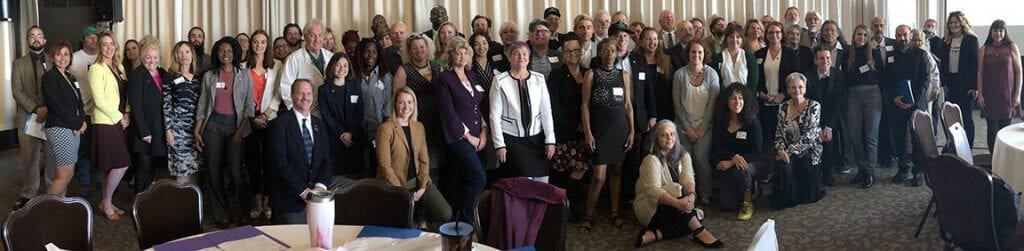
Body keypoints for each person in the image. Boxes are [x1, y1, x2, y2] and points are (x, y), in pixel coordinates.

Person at [634, 120, 723, 248]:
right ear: (656, 139)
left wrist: (692, 196)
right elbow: (654, 191)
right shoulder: (651, 159)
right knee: (692, 216)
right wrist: (678, 203)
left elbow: (688, 179)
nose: (669, 138)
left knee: (691, 214)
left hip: (674, 204)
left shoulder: (684, 155)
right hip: (651, 206)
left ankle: (656, 235)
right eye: (664, 135)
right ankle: (699, 231)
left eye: (671, 134)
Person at [196, 37, 256, 227]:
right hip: (212, 126)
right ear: (216, 53)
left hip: (236, 126)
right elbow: (203, 104)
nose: (225, 54)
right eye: (221, 51)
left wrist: (239, 131)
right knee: (214, 173)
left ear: (236, 53)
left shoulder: (244, 74)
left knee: (237, 174)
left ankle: (243, 213)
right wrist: (197, 131)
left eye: (229, 51)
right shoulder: (209, 76)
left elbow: (249, 106)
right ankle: (221, 213)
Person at [581, 39, 635, 233]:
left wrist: (632, 131)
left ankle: (615, 213)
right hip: (600, 131)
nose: (610, 54)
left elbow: (628, 105)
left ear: (618, 53)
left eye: (613, 50)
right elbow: (585, 105)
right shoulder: (591, 74)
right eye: (605, 50)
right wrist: (588, 133)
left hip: (620, 130)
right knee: (598, 177)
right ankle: (588, 216)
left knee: (616, 173)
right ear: (600, 52)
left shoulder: (624, 75)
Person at [376, 86, 452, 226]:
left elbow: (424, 160)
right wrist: (403, 193)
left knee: (445, 214)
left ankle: (425, 230)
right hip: (396, 185)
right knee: (407, 227)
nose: (406, 106)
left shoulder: (418, 126)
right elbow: (384, 165)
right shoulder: (386, 128)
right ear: (395, 105)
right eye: (401, 102)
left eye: (410, 102)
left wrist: (422, 186)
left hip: (418, 180)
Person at [267, 79, 334, 224]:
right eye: (301, 93)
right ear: (291, 95)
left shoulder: (320, 125)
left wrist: (319, 187)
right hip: (290, 201)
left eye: (308, 93)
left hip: (318, 200)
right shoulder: (278, 125)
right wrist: (304, 192)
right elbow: (280, 164)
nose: (305, 97)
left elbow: (326, 161)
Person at [436, 38, 487, 223]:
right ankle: (467, 220)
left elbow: (478, 106)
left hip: (478, 135)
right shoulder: (444, 79)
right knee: (479, 178)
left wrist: (483, 131)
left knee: (468, 179)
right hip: (458, 138)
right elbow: (448, 113)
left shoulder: (472, 75)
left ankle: (459, 216)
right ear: (450, 55)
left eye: (466, 52)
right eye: (458, 52)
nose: (462, 55)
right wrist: (468, 137)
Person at [488, 41, 556, 182]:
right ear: (509, 57)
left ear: (529, 57)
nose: (521, 56)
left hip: (536, 139)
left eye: (524, 53)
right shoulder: (500, 81)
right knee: (525, 183)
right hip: (513, 140)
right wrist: (499, 145)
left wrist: (550, 140)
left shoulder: (539, 79)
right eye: (516, 53)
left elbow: (546, 111)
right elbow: (494, 116)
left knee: (543, 180)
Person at [89, 31, 131, 221]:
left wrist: (127, 113)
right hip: (105, 122)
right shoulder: (96, 69)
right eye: (104, 44)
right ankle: (106, 202)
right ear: (99, 47)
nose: (108, 48)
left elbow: (125, 94)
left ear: (116, 46)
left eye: (111, 44)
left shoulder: (119, 66)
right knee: (121, 164)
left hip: (118, 120)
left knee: (111, 166)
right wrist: (118, 117)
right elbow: (99, 100)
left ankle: (107, 200)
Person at [673, 40, 721, 205]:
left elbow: (713, 105)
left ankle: (705, 193)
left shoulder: (712, 74)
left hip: (705, 127)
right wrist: (688, 128)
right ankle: (683, 194)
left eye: (700, 52)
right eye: (693, 52)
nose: (696, 55)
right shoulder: (679, 74)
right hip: (683, 126)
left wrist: (700, 129)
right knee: (683, 160)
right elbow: (677, 106)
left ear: (704, 54)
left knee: (700, 159)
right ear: (688, 54)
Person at [623, 27, 666, 210]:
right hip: (629, 116)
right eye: (647, 38)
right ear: (640, 41)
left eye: (655, 38)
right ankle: (630, 197)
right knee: (633, 160)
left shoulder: (663, 61)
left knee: (649, 155)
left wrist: (653, 115)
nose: (652, 42)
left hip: (649, 116)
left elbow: (649, 91)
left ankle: (652, 193)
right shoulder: (634, 59)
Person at [392, 34, 448, 173]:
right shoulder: (403, 70)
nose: (419, 50)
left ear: (427, 48)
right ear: (409, 51)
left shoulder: (437, 67)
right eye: (415, 48)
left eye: (422, 47)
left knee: (440, 162)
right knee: (422, 162)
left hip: (438, 121)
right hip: (416, 122)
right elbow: (397, 100)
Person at [11, 26, 51, 209]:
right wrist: (36, 108)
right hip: (28, 117)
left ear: (44, 40)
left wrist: (48, 109)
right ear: (27, 40)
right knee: (29, 157)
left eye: (39, 36)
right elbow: (16, 91)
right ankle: (28, 193)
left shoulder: (54, 60)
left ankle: (53, 191)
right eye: (32, 36)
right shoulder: (18, 63)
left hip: (52, 117)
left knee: (51, 155)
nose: (36, 39)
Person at [771, 73, 824, 209]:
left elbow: (810, 136)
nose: (797, 90)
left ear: (805, 88)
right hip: (788, 152)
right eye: (793, 87)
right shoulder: (782, 107)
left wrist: (788, 152)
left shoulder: (814, 106)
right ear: (788, 90)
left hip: (809, 152)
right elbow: (779, 133)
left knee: (809, 195)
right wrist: (781, 150)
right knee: (781, 166)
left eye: (800, 87)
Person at [245, 30, 282, 220]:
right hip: (249, 120)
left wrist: (266, 114)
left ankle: (268, 202)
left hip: (270, 119)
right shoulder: (243, 66)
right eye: (255, 42)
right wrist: (253, 117)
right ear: (251, 44)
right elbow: (241, 94)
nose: (259, 46)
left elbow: (279, 92)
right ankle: (257, 202)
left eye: (262, 42)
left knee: (269, 162)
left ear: (267, 45)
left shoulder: (277, 65)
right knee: (253, 163)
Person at [887, 25, 931, 187]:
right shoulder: (891, 55)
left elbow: (926, 80)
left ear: (910, 35)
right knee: (898, 137)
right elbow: (887, 80)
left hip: (916, 104)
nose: (902, 38)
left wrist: (914, 100)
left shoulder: (921, 54)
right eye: (898, 35)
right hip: (897, 103)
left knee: (917, 139)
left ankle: (918, 171)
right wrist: (894, 98)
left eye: (904, 35)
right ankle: (902, 167)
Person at [711, 83, 762, 220]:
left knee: (741, 170)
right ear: (726, 101)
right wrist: (733, 159)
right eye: (733, 98)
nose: (737, 102)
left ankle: (748, 202)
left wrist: (737, 160)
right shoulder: (720, 122)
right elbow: (716, 149)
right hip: (728, 164)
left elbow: (757, 152)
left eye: (740, 98)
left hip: (751, 163)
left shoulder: (752, 122)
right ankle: (748, 187)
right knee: (725, 206)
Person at [843, 25, 885, 188]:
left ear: (868, 38)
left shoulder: (873, 54)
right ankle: (861, 167)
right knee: (853, 135)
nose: (861, 37)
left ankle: (870, 171)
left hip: (873, 95)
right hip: (853, 96)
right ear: (854, 36)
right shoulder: (847, 54)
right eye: (859, 34)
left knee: (871, 136)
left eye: (865, 35)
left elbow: (882, 76)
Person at [41, 41, 85, 196]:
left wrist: (82, 121)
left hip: (73, 128)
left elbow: (79, 102)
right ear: (53, 57)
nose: (62, 58)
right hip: (59, 128)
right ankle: (43, 211)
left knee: (68, 172)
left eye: (66, 54)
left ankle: (59, 207)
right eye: (58, 54)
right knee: (64, 174)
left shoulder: (70, 77)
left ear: (70, 57)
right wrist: (77, 124)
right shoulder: (49, 77)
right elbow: (57, 106)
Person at [547, 35, 588, 192]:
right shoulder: (555, 76)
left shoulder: (588, 73)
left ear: (581, 51)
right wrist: (575, 126)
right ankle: (562, 208)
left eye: (576, 50)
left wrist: (586, 127)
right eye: (568, 51)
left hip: (586, 134)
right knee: (562, 177)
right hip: (565, 133)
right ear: (563, 54)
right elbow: (554, 107)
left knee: (584, 174)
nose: (572, 54)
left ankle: (573, 206)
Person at [126, 36, 167, 194]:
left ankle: (149, 201)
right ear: (142, 57)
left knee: (153, 166)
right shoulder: (137, 75)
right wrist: (144, 132)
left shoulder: (162, 73)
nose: (152, 61)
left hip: (159, 128)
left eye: (155, 57)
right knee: (143, 167)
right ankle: (139, 201)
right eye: (148, 57)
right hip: (144, 131)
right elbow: (136, 106)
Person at [755, 22, 801, 159]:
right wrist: (761, 94)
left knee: (784, 136)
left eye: (777, 32)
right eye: (770, 32)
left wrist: (784, 94)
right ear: (766, 35)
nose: (774, 35)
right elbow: (754, 78)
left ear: (782, 35)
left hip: (785, 103)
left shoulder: (791, 54)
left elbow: (797, 78)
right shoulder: (759, 54)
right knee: (767, 137)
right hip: (764, 103)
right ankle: (769, 169)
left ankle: (783, 167)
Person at [318, 54, 368, 178]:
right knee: (338, 178)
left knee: (357, 176)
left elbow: (359, 111)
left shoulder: (356, 86)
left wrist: (350, 133)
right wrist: (342, 134)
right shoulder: (323, 90)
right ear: (332, 67)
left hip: (355, 137)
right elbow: (326, 115)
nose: (342, 68)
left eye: (345, 65)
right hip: (334, 139)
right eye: (338, 65)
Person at [978, 20, 1023, 153]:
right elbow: (980, 73)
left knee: (1005, 131)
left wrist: (1017, 95)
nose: (998, 33)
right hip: (989, 95)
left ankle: (1004, 159)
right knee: (992, 130)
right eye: (995, 30)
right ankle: (994, 158)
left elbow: (1019, 72)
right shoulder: (984, 49)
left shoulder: (1012, 47)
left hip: (1006, 94)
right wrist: (980, 94)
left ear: (1005, 32)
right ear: (991, 32)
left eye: (1001, 30)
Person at [804, 46, 846, 186]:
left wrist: (828, 126)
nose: (825, 61)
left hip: (832, 116)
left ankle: (828, 173)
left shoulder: (838, 75)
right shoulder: (807, 76)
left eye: (828, 58)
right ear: (815, 61)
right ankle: (814, 173)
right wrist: (816, 126)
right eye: (821, 58)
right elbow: (807, 102)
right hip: (812, 117)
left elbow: (839, 102)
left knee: (828, 140)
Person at [938, 11, 980, 148]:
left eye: (956, 22)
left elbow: (975, 64)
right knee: (951, 117)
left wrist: (975, 87)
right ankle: (954, 146)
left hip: (966, 85)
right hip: (951, 84)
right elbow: (942, 64)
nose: (953, 25)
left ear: (962, 23)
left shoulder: (971, 40)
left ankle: (968, 149)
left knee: (966, 118)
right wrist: (943, 83)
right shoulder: (945, 40)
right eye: (950, 23)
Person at [163, 41, 202, 185]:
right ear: (175, 56)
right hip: (178, 130)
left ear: (192, 55)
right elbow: (166, 105)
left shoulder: (200, 77)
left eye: (187, 52)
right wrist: (168, 130)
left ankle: (194, 205)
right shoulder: (170, 76)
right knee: (182, 170)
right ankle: (181, 204)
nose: (184, 55)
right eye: (180, 52)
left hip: (197, 129)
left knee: (195, 168)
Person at [280, 19, 335, 110]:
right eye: (312, 35)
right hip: (305, 111)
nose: (317, 39)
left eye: (320, 35)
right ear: (305, 37)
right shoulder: (293, 59)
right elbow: (285, 88)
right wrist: (296, 111)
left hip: (329, 110)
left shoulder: (331, 57)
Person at [355, 38, 390, 173]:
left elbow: (388, 104)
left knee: (378, 166)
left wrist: (385, 129)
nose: (370, 55)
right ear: (361, 54)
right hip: (359, 129)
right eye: (366, 52)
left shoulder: (385, 76)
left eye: (374, 52)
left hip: (379, 129)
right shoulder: (354, 76)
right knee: (362, 167)